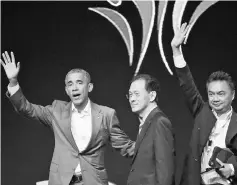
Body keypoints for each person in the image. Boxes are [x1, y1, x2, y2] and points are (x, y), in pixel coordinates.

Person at [1, 51, 135, 185]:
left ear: (90, 87)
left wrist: (152, 147)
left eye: (79, 82)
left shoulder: (107, 114)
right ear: (66, 90)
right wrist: (13, 82)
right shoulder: (56, 111)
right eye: (70, 84)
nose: (74, 88)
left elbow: (126, 146)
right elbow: (26, 108)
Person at [171, 23, 237, 185]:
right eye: (211, 94)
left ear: (233, 95)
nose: (215, 98)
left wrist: (232, 169)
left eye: (221, 94)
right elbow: (187, 84)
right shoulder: (203, 111)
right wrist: (176, 50)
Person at [126, 74, 175, 185]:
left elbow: (165, 173)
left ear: (152, 96)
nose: (132, 99)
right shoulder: (147, 122)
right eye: (130, 95)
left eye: (137, 94)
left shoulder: (160, 122)